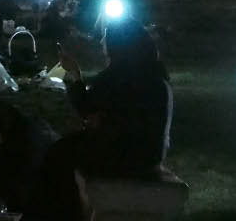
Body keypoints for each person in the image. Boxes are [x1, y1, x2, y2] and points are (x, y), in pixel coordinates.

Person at [29, 19, 173, 221]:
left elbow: (85, 107)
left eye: (106, 37)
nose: (102, 41)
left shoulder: (117, 76)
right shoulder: (155, 73)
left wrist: (75, 74)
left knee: (57, 154)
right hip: (151, 153)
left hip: (122, 153)